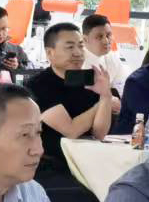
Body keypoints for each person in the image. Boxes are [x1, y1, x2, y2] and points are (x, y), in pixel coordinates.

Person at [24, 21, 113, 183]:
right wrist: (102, 103)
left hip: (89, 163)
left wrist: (106, 96)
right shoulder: (38, 85)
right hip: (52, 167)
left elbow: (99, 133)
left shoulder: (91, 80)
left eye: (81, 46)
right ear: (49, 53)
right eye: (70, 47)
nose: (78, 53)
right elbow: (72, 130)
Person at [81, 13, 128, 106]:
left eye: (108, 35)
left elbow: (122, 90)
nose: (106, 41)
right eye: (99, 37)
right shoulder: (75, 62)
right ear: (85, 39)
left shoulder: (113, 58)